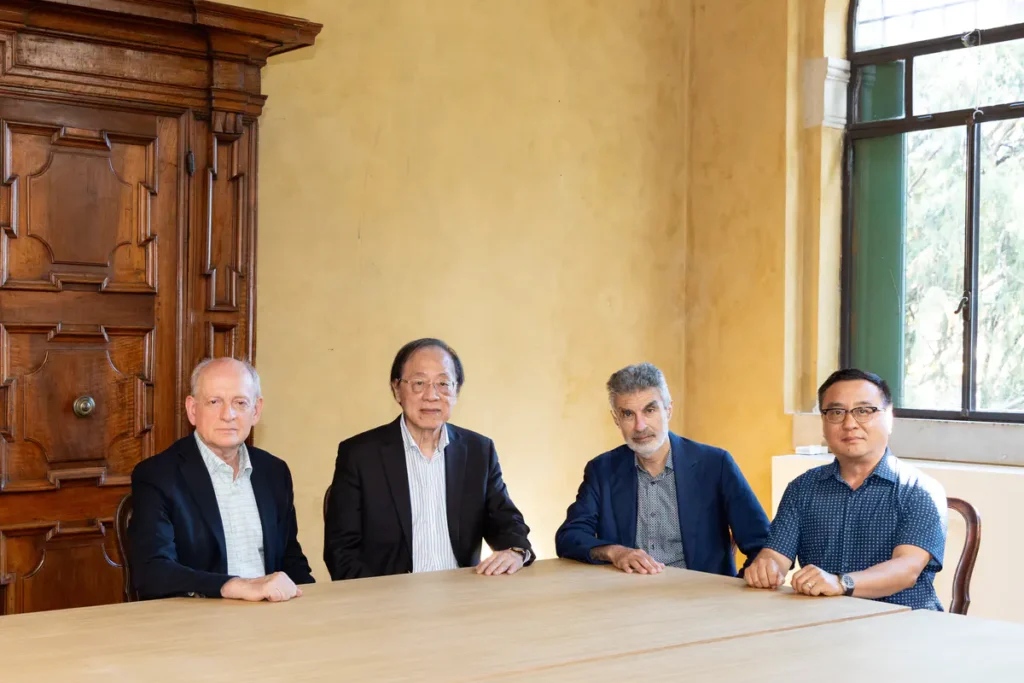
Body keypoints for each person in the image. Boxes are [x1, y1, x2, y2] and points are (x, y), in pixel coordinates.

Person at [324, 338, 533, 580]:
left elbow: (505, 520)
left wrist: (516, 551)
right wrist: (380, 602)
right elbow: (340, 551)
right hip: (387, 603)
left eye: (444, 383)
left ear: (456, 391)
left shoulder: (478, 450)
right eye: (419, 383)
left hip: (462, 596)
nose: (431, 395)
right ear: (396, 389)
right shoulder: (360, 454)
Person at [744, 368, 947, 610]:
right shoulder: (802, 488)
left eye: (864, 411)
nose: (849, 424)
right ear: (823, 422)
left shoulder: (920, 490)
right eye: (837, 412)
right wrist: (765, 567)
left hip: (902, 627)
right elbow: (776, 556)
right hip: (820, 622)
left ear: (889, 417)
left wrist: (841, 583)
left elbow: (906, 570)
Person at [556, 363, 769, 576]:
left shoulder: (716, 464)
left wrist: (732, 594)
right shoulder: (602, 470)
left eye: (649, 410)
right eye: (628, 414)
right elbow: (569, 537)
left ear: (668, 410)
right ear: (616, 420)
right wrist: (615, 552)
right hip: (626, 600)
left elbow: (763, 543)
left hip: (700, 601)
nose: (640, 426)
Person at [129, 358, 314, 601]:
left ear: (256, 410)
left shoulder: (274, 472)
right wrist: (234, 586)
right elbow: (152, 571)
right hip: (197, 620)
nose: (228, 415)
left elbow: (290, 559)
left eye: (240, 402)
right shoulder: (157, 476)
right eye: (214, 402)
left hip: (272, 619)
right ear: (193, 410)